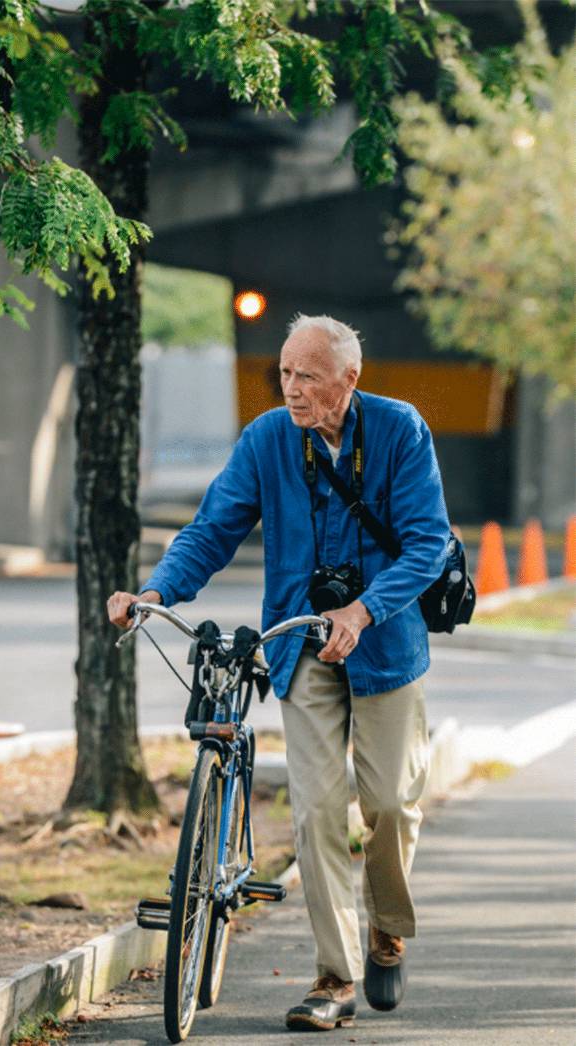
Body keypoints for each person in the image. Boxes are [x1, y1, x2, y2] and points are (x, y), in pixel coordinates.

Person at [107, 314, 450, 1032]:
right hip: (299, 644)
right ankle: (334, 975)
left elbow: (426, 545)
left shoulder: (399, 430)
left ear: (347, 381)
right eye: (286, 374)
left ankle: (386, 926)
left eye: (308, 377)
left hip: (385, 644)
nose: (292, 389)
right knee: (317, 808)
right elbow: (213, 528)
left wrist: (363, 610)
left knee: (389, 803)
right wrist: (157, 591)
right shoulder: (266, 438)